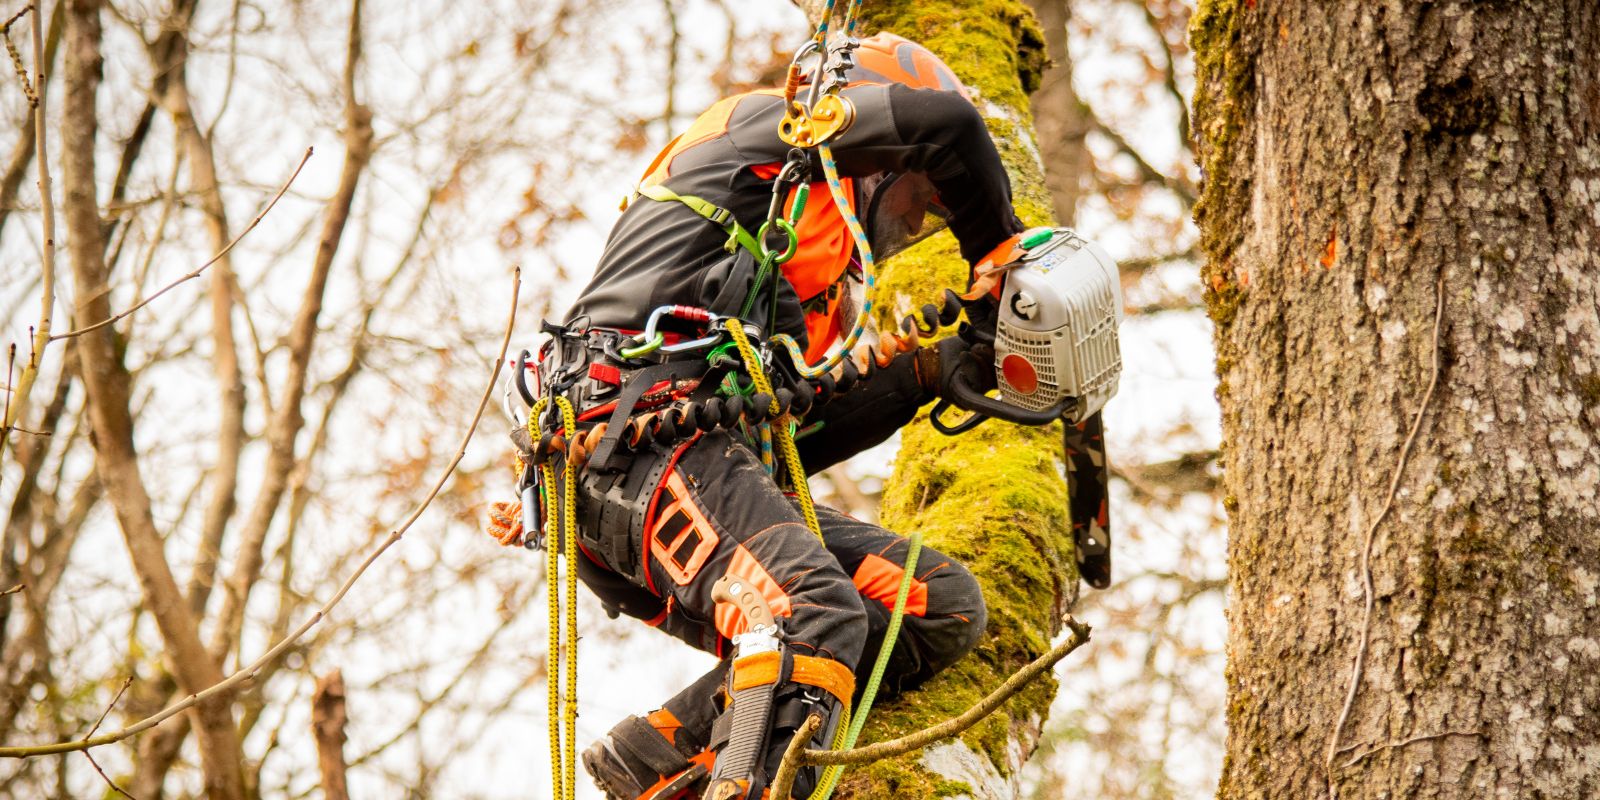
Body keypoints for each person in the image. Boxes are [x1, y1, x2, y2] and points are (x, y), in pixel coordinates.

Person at [488, 33, 1030, 800]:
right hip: (627, 443)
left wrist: (934, 370)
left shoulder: (793, 288)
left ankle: (664, 755)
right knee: (812, 610)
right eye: (911, 199)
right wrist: (996, 247)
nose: (907, 224)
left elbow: (783, 432)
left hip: (689, 463)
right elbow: (947, 125)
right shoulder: (767, 133)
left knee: (932, 604)